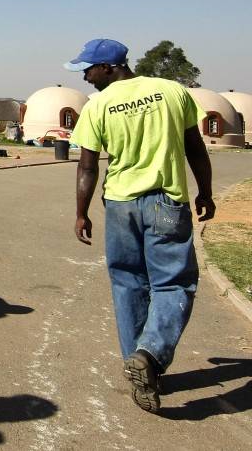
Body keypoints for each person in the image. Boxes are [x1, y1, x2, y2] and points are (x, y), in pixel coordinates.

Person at [66, 38, 215, 414]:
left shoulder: (98, 106)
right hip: (166, 203)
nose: (85, 76)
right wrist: (205, 192)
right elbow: (194, 147)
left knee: (128, 281)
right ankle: (148, 358)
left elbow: (88, 166)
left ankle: (140, 360)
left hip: (120, 205)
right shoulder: (170, 91)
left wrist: (81, 212)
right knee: (173, 282)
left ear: (111, 67)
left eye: (89, 69)